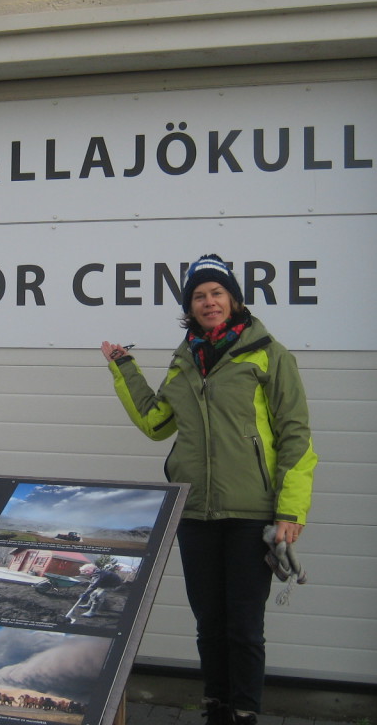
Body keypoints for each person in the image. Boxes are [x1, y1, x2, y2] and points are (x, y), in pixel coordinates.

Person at [100, 254, 316, 725]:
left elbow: (296, 435)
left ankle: (245, 712)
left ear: (233, 299)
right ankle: (217, 707)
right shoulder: (185, 362)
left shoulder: (269, 354)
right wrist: (125, 368)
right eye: (199, 295)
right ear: (190, 306)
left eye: (217, 292)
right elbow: (157, 423)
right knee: (209, 626)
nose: (208, 301)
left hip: (250, 512)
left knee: (244, 627)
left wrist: (290, 512)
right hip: (194, 511)